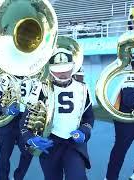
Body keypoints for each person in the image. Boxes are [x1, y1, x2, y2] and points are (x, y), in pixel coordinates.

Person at [20, 47, 95, 180]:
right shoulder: (39, 89)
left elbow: (88, 117)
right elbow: (25, 122)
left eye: (66, 70)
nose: (63, 74)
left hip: (73, 144)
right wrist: (30, 138)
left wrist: (84, 132)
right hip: (49, 143)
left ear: (73, 67)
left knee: (78, 177)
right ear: (50, 69)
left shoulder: (82, 89)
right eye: (58, 71)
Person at [0, 74, 39, 180]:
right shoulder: (4, 78)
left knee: (28, 152)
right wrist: (4, 109)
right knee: (4, 155)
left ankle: (18, 177)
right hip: (8, 121)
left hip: (26, 121)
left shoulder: (35, 81)